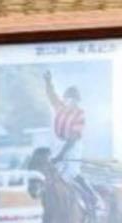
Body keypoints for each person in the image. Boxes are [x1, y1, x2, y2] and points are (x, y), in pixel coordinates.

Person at [42, 70, 98, 214]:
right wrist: (48, 82)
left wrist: (60, 155)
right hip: (60, 143)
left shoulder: (80, 113)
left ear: (77, 101)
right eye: (67, 98)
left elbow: (73, 138)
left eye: (73, 99)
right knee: (55, 173)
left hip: (73, 145)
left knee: (71, 173)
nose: (69, 101)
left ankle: (91, 196)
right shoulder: (60, 108)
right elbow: (52, 96)